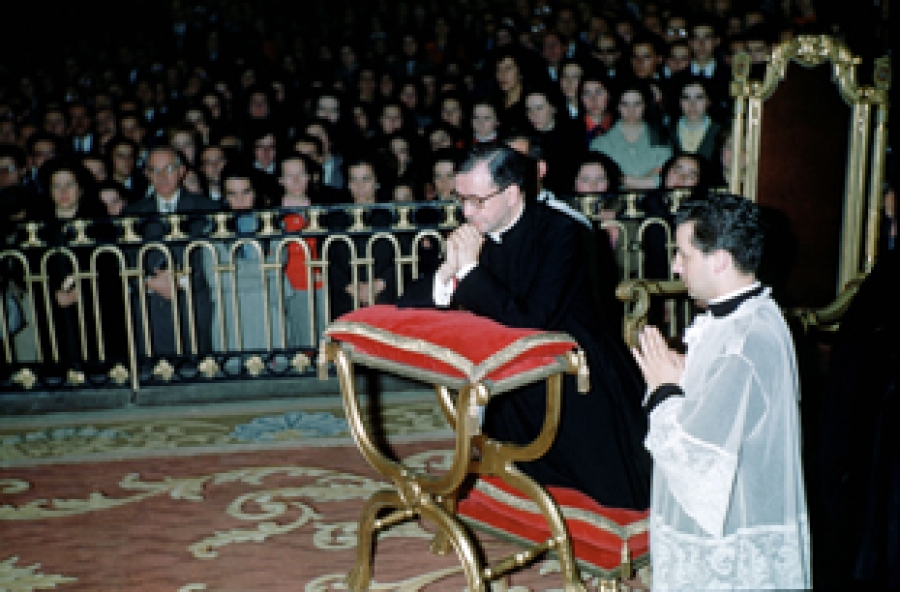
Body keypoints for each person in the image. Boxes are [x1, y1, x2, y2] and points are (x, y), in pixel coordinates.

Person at [399, 144, 651, 510]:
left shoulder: (562, 232)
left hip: (573, 373)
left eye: (477, 200)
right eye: (461, 199)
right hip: (507, 374)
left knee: (606, 497)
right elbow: (408, 302)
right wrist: (446, 274)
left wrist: (470, 272)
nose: (466, 211)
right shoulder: (477, 228)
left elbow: (532, 320)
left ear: (513, 193)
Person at [631, 191, 811, 590]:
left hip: (728, 531)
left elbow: (699, 467)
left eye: (683, 254)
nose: (676, 266)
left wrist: (663, 390)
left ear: (720, 260)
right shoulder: (743, 316)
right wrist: (684, 381)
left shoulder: (746, 339)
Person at [122, 145, 220, 356]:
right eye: (155, 170)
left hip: (193, 305)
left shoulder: (207, 208)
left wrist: (180, 282)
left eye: (168, 169)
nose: (162, 177)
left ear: (181, 171)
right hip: (151, 308)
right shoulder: (132, 213)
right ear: (147, 174)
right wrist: (149, 282)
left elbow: (213, 258)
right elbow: (125, 260)